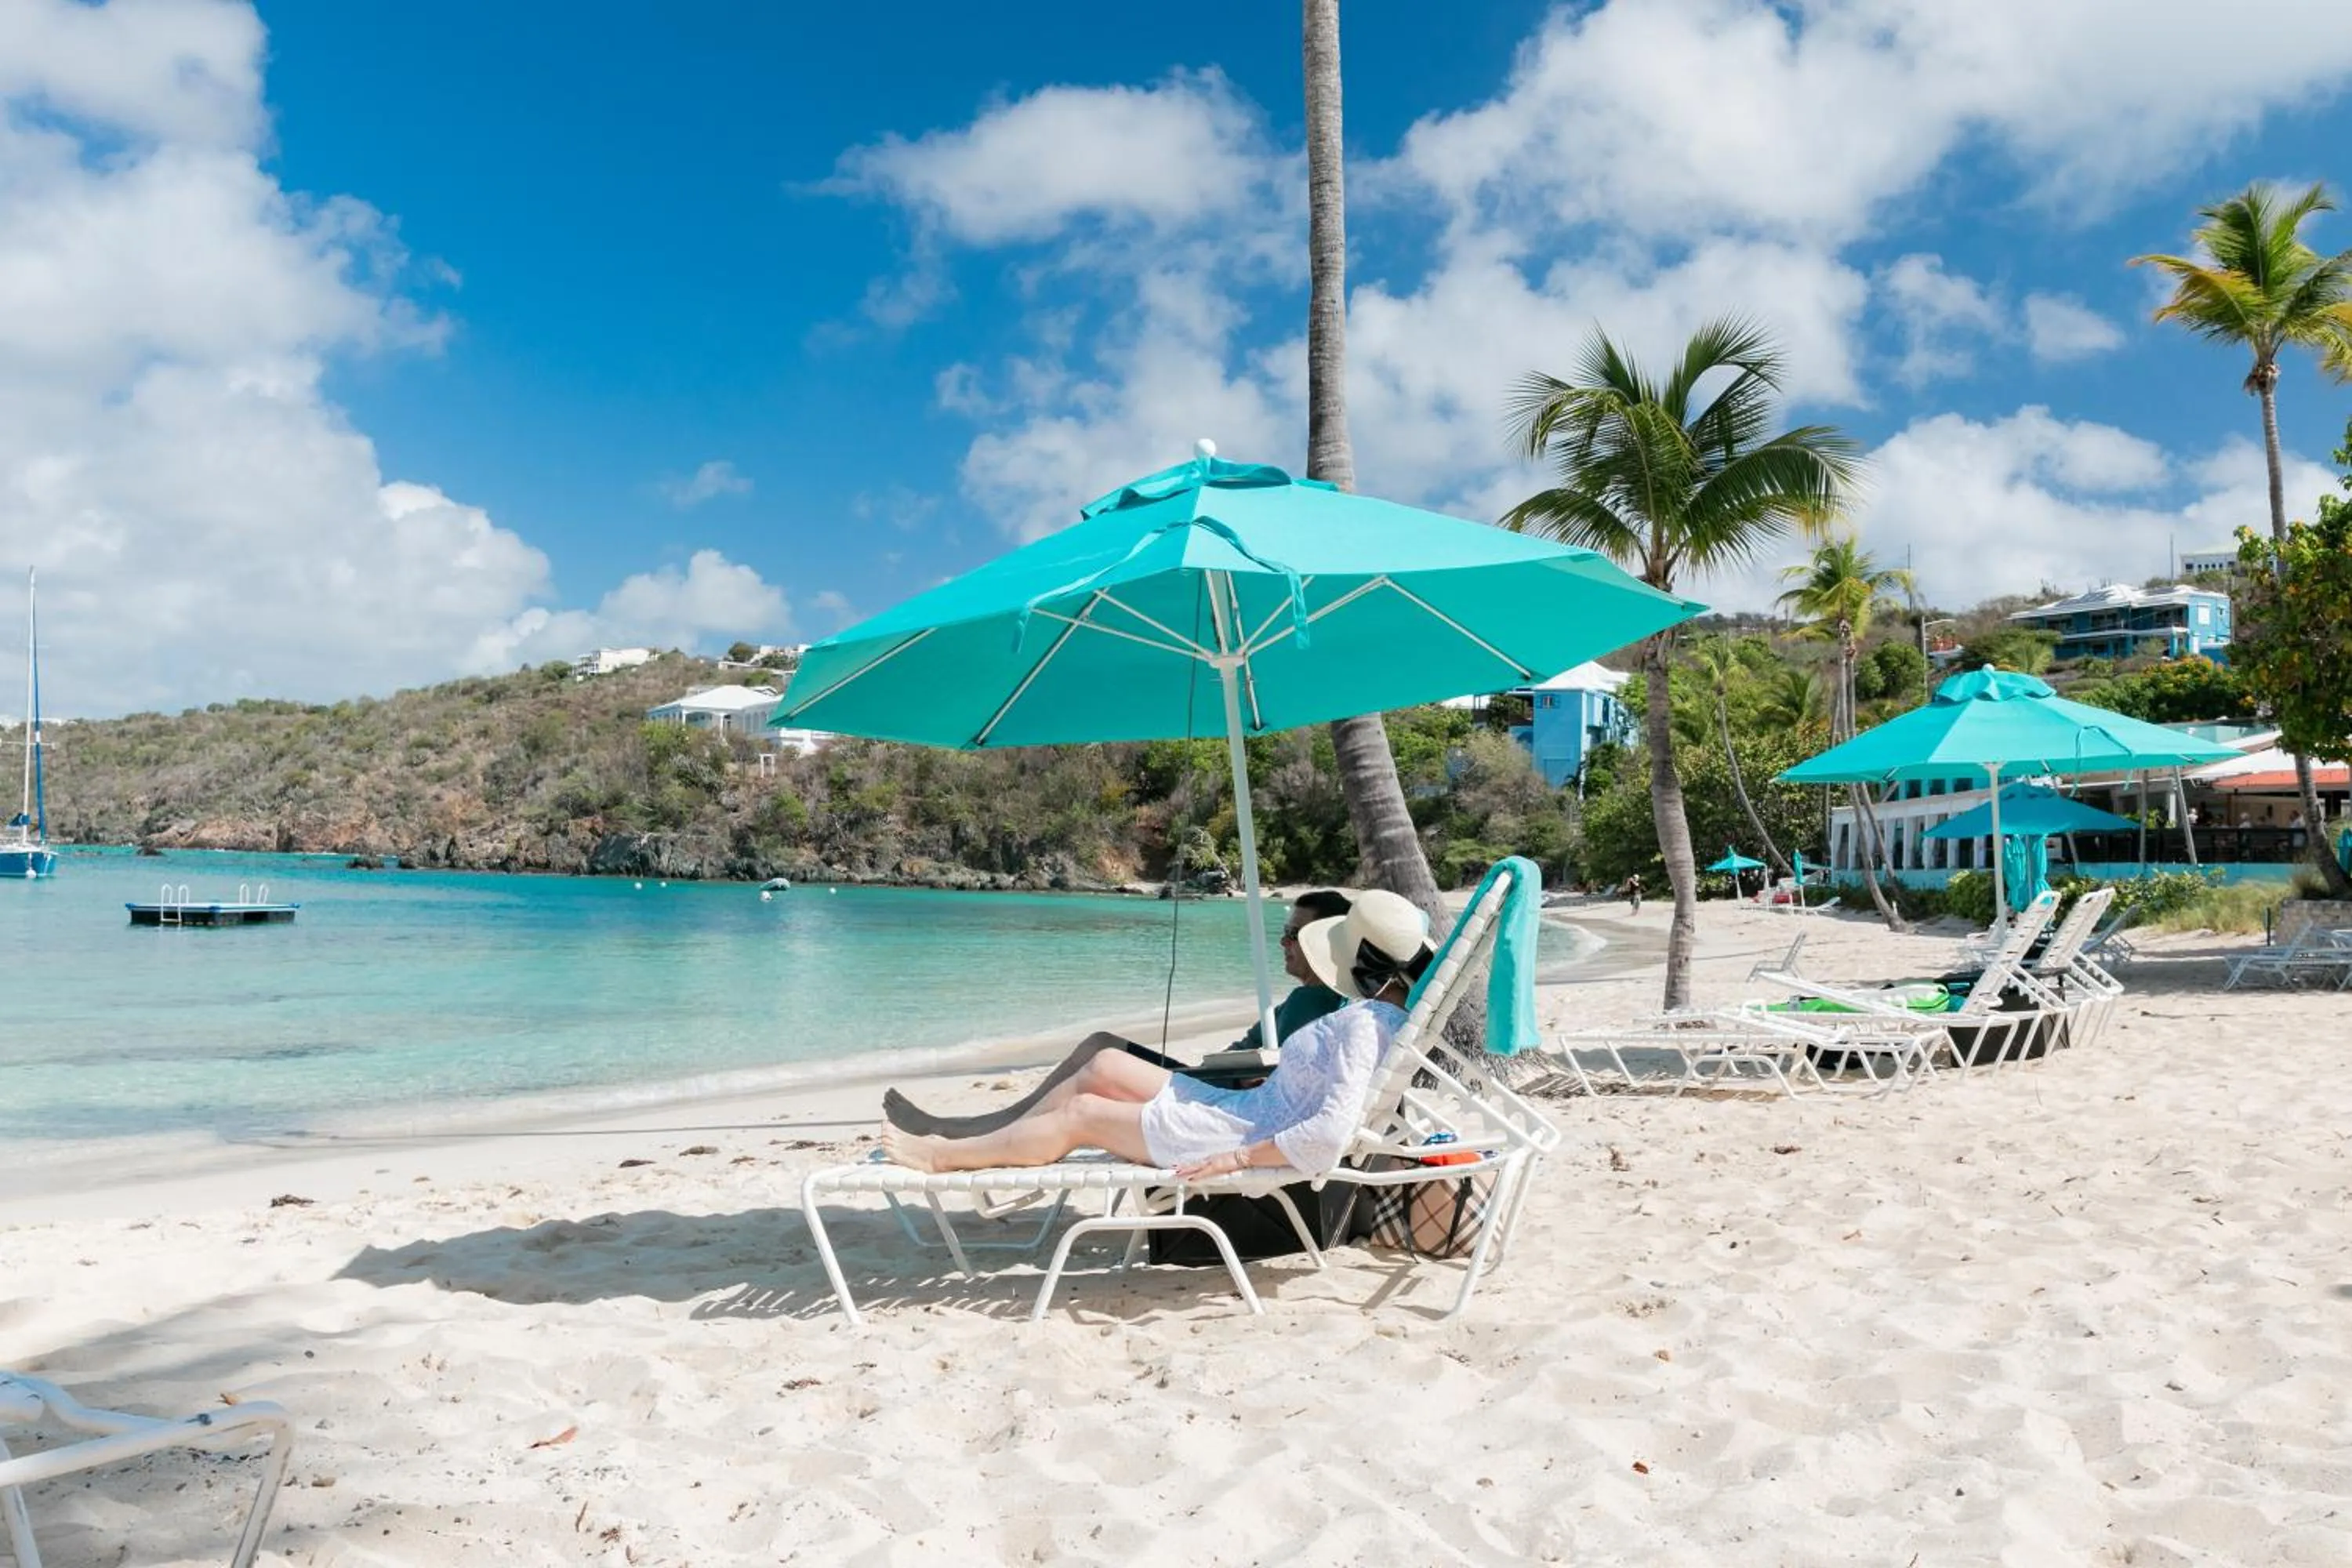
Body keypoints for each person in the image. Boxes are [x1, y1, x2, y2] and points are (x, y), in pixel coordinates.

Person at [880, 891, 1436, 1178]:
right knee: (1103, 1067)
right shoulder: (1381, 1018)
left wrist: (1237, 1161)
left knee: (1084, 1114)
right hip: (1247, 1110)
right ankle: (986, 1138)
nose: (1291, 943)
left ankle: (945, 1159)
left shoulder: (1363, 1025)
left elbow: (1328, 1137)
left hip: (1238, 1135)